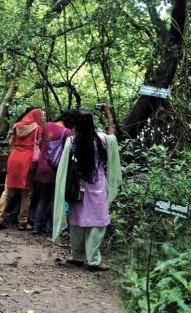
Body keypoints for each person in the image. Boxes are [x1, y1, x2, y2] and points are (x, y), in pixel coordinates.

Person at [51, 106, 121, 272]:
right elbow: (113, 138)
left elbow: (64, 165)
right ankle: (94, 260)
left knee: (77, 222)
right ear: (91, 123)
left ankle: (78, 256)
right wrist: (109, 116)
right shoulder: (101, 139)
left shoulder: (72, 141)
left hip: (78, 187)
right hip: (97, 185)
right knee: (98, 222)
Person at [0, 107, 44, 230]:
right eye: (41, 115)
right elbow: (39, 144)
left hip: (14, 159)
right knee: (27, 193)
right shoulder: (37, 128)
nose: (42, 118)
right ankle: (22, 221)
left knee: (7, 191)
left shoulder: (16, 126)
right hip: (27, 160)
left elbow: (11, 143)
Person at [32, 110, 78, 235]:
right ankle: (50, 227)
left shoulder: (47, 125)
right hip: (56, 168)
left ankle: (36, 226)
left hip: (42, 165)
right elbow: (69, 151)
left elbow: (41, 144)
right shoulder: (67, 132)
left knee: (43, 198)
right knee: (54, 199)